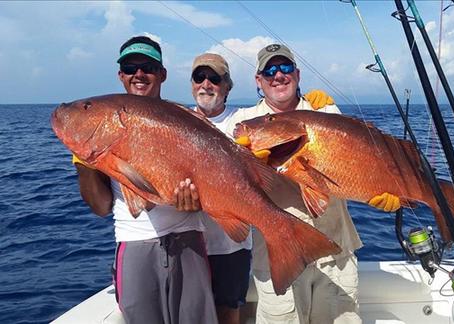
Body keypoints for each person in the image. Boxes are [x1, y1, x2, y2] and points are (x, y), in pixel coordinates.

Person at [225, 43, 400, 323]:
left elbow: (358, 166)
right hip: (277, 258)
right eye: (269, 70)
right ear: (258, 80)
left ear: (297, 74)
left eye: (284, 68)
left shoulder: (325, 112)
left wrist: (384, 195)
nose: (278, 75)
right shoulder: (243, 123)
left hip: (336, 253)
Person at [72, 36, 217, 324]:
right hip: (134, 242)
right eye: (130, 67)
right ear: (121, 76)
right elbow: (101, 206)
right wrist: (84, 159)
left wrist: (197, 203)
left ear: (162, 74)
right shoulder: (105, 124)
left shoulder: (186, 119)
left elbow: (211, 183)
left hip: (189, 239)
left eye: (148, 67)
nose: (139, 74)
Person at [189, 53, 252, 324]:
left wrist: (312, 102)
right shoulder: (178, 120)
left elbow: (280, 112)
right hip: (189, 242)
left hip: (231, 245)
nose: (206, 84)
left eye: (215, 78)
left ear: (227, 86)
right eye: (199, 77)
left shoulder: (245, 119)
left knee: (228, 311)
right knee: (190, 313)